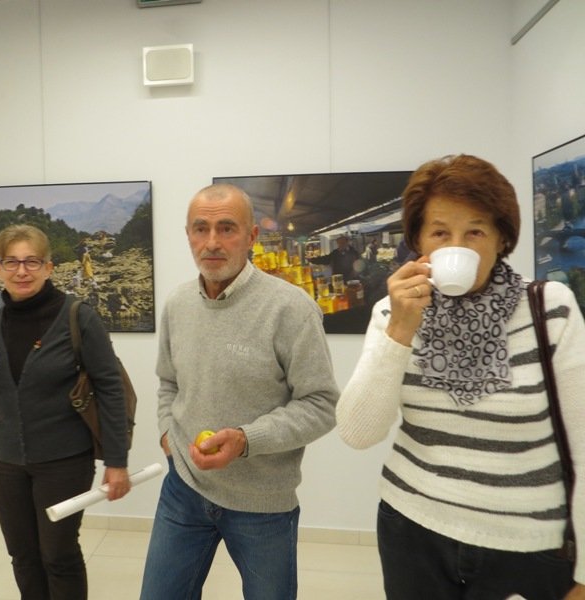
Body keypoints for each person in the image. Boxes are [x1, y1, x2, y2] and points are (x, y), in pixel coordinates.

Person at [335, 154, 585, 600]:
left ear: (501, 238)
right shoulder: (393, 312)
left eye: (475, 231)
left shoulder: (551, 308)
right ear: (419, 241)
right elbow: (358, 432)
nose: (458, 246)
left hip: (527, 545)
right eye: (440, 233)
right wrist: (400, 330)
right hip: (412, 528)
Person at [139, 183, 339, 600]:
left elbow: (321, 405)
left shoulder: (291, 308)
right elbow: (168, 382)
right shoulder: (178, 305)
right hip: (184, 488)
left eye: (227, 228)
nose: (212, 241)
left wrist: (247, 440)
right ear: (189, 235)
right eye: (201, 228)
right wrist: (167, 435)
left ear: (252, 237)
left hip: (262, 502)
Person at [0, 224, 130, 600]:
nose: (22, 271)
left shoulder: (78, 317)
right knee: (22, 556)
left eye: (32, 261)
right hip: (6, 463)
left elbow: (111, 390)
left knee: (58, 555)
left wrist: (117, 461)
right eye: (11, 262)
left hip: (65, 461)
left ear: (49, 267)